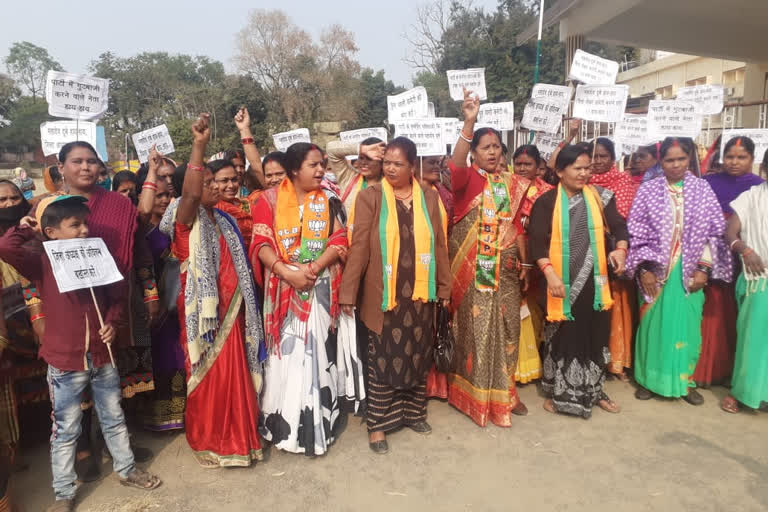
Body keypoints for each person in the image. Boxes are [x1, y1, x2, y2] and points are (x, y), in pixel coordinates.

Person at [0, 195, 161, 511]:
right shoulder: (41, 260)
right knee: (66, 427)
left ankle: (126, 469)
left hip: (103, 354)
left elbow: (117, 295)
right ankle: (63, 491)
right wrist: (25, 227)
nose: (85, 229)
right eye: (75, 225)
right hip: (65, 360)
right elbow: (6, 248)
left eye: (86, 223)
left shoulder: (99, 255)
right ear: (51, 232)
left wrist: (113, 324)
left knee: (113, 416)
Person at [162, 114, 264, 467]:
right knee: (209, 378)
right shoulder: (184, 219)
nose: (215, 188)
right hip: (203, 315)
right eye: (208, 182)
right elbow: (190, 191)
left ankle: (241, 440)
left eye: (214, 182)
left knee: (235, 375)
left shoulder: (225, 218)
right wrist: (200, 145)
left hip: (233, 310)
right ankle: (210, 440)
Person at [340, 138, 450, 453]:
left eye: (397, 163)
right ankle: (379, 425)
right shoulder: (370, 197)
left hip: (419, 294)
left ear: (412, 166)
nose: (390, 168)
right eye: (387, 162)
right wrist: (348, 291)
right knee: (383, 358)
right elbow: (359, 245)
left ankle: (413, 413)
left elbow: (440, 244)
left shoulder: (429, 197)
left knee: (417, 353)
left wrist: (444, 288)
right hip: (384, 295)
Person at [251, 141, 349, 456]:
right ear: (295, 170)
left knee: (318, 355)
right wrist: (287, 272)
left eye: (322, 164)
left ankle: (317, 427)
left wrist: (315, 266)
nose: (321, 170)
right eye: (314, 165)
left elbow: (339, 238)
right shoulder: (268, 199)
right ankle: (283, 425)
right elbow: (261, 243)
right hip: (284, 287)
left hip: (319, 287)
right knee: (286, 358)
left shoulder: (329, 199)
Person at [446, 89, 531, 427]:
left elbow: (517, 228)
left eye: (497, 146)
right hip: (474, 277)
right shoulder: (467, 180)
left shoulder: (510, 183)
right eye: (486, 147)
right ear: (475, 154)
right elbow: (454, 163)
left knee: (510, 331)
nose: (493, 152)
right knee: (479, 333)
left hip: (507, 272)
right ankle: (475, 395)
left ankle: (506, 392)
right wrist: (470, 122)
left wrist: (524, 264)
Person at [627, 137, 732, 405]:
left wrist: (704, 269)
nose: (675, 165)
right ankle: (648, 380)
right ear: (661, 161)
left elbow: (714, 234)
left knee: (687, 327)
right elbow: (636, 232)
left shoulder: (703, 189)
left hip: (690, 272)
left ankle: (685, 382)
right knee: (653, 325)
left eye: (680, 159)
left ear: (690, 159)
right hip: (655, 271)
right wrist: (645, 269)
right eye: (669, 160)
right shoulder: (648, 190)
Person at [528, 144, 628, 417]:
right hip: (560, 283)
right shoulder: (546, 202)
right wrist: (550, 274)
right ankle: (559, 393)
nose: (584, 174)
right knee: (566, 337)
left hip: (596, 284)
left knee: (594, 335)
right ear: (560, 171)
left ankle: (594, 391)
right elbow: (536, 243)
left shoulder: (601, 198)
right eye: (578, 168)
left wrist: (620, 248)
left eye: (587, 168)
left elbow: (620, 226)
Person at [696, 136, 763, 387]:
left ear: (752, 160)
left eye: (741, 157)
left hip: (745, 259)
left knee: (738, 314)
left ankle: (729, 370)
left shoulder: (758, 188)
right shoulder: (707, 183)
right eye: (730, 157)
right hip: (707, 253)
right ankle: (703, 368)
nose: (734, 162)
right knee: (710, 311)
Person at [137, 148, 186, 431]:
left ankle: (181, 413)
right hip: (153, 308)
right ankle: (154, 416)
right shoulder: (141, 230)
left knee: (178, 354)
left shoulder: (179, 226)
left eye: (170, 195)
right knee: (160, 356)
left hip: (179, 306)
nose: (166, 200)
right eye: (160, 195)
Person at [585, 137, 638, 381]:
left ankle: (615, 362)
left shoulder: (621, 183)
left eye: (602, 156)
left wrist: (619, 248)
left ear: (612, 158)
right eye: (592, 157)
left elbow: (623, 220)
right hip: (582, 254)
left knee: (614, 309)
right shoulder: (578, 183)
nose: (596, 162)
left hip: (613, 251)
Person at [722, 166, 768, 413]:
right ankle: (742, 393)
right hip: (759, 277)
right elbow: (730, 232)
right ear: (764, 170)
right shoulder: (751, 197)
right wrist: (745, 250)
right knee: (753, 340)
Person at [418, 154, 454, 400]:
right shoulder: (405, 194)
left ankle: (437, 383)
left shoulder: (444, 193)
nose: (436, 166)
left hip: (440, 264)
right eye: (429, 161)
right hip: (415, 270)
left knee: (438, 323)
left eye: (437, 162)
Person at [210, 158, 254, 251]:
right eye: (224, 181)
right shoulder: (211, 211)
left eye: (234, 180)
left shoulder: (245, 203)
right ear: (212, 183)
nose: (231, 185)